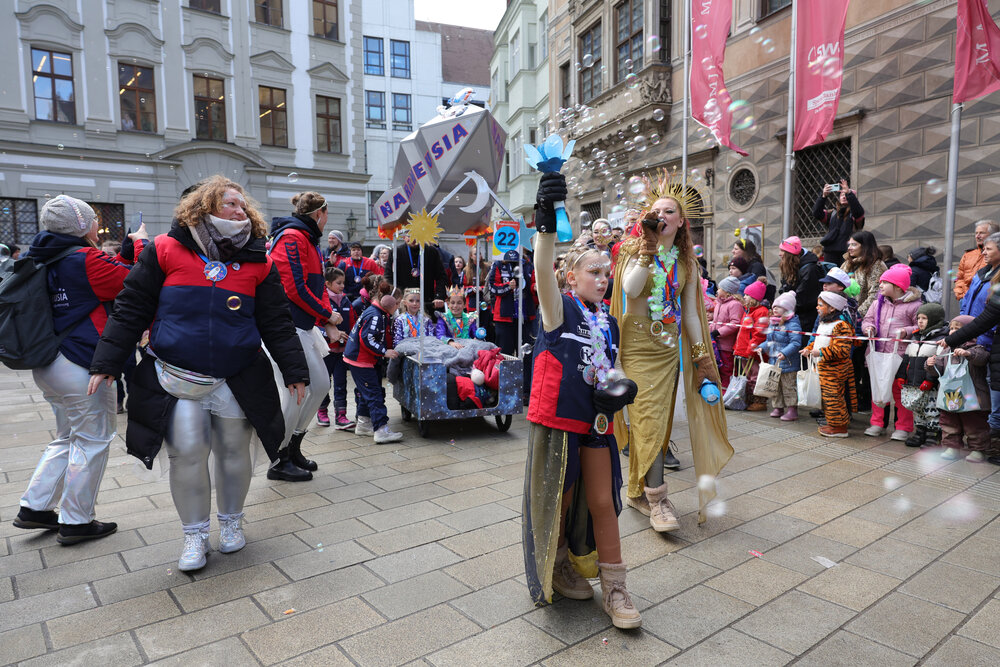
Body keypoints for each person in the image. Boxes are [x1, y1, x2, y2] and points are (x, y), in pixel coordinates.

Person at [89, 176, 308, 571]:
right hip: (175, 374)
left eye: (243, 205)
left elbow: (276, 321)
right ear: (204, 207)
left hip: (237, 376)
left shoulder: (260, 260)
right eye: (230, 203)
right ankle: (193, 535)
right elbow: (130, 308)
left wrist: (296, 370)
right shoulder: (163, 249)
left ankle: (230, 524)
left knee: (233, 452)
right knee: (187, 451)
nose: (240, 210)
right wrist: (106, 362)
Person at [522, 172, 642, 629]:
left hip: (597, 424)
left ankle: (615, 586)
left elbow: (606, 365)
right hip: (559, 421)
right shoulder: (559, 307)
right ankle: (557, 564)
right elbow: (540, 268)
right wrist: (546, 224)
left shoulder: (606, 321)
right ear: (570, 276)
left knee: (602, 501)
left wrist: (620, 385)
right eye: (594, 272)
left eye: (607, 274)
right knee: (560, 497)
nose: (603, 279)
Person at [13, 196, 147, 544]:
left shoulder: (44, 254)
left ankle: (35, 506)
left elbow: (106, 276)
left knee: (68, 437)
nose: (95, 224)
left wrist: (126, 253)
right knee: (92, 441)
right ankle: (76, 520)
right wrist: (143, 244)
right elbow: (134, 282)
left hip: (49, 363)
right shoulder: (84, 258)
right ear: (81, 225)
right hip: (82, 363)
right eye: (91, 219)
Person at [610, 170, 733, 536]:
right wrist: (647, 250)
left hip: (667, 349)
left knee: (658, 424)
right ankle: (658, 498)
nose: (662, 216)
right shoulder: (633, 251)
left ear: (681, 222)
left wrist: (701, 358)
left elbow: (693, 315)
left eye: (670, 212)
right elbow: (632, 292)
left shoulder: (685, 262)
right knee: (646, 418)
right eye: (657, 210)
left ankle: (636, 492)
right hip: (636, 346)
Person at [268, 192, 342, 481]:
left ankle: (293, 447)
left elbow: (317, 285)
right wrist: (327, 316)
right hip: (287, 328)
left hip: (303, 325)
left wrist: (327, 319)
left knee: (320, 384)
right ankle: (278, 458)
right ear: (319, 214)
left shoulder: (308, 239)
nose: (327, 221)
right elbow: (292, 288)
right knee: (295, 394)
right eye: (327, 215)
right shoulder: (292, 237)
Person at [862, 264, 921, 440]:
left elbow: (920, 325)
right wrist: (869, 328)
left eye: (884, 282)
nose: (880, 286)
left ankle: (903, 426)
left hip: (902, 356)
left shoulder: (914, 306)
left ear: (897, 286)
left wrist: (907, 331)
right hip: (878, 353)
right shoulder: (876, 303)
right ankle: (877, 423)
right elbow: (867, 320)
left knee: (901, 391)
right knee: (878, 387)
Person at [344, 279, 403, 444]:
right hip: (361, 361)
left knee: (367, 393)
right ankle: (381, 430)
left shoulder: (376, 312)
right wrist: (385, 352)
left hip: (361, 360)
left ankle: (363, 424)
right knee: (374, 395)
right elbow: (367, 339)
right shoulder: (376, 315)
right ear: (388, 301)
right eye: (397, 303)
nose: (398, 307)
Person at [928, 315, 991, 462]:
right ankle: (952, 446)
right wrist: (931, 365)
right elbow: (940, 370)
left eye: (958, 328)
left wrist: (969, 354)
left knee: (974, 424)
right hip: (949, 398)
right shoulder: (945, 351)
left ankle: (978, 449)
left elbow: (982, 358)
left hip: (972, 398)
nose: (952, 332)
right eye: (951, 328)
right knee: (949, 422)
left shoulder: (977, 348)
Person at [800, 292, 857, 437]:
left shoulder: (841, 325)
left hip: (834, 370)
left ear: (832, 308)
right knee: (827, 398)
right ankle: (833, 423)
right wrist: (809, 348)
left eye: (821, 305)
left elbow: (842, 349)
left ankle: (839, 427)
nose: (817, 308)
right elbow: (818, 342)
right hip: (823, 368)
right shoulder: (824, 323)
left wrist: (820, 353)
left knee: (833, 398)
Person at [897, 303, 947, 447]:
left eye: (924, 318)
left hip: (931, 385)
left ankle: (933, 435)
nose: (920, 321)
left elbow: (937, 362)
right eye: (918, 318)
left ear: (934, 319)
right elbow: (906, 358)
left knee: (931, 409)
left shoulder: (939, 338)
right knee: (918, 409)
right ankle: (920, 433)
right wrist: (901, 376)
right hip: (915, 382)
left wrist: (930, 380)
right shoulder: (916, 336)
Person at [317, 267, 356, 431]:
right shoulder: (321, 302)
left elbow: (353, 323)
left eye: (343, 283)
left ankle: (341, 415)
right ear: (327, 284)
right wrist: (331, 335)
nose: (342, 286)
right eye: (338, 283)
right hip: (325, 352)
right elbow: (317, 325)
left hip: (342, 353)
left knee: (341, 384)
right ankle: (321, 411)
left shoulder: (347, 301)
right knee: (325, 384)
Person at [760, 291, 802, 421]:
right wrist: (761, 347)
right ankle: (778, 407)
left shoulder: (792, 324)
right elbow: (770, 340)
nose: (775, 308)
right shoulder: (773, 323)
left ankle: (792, 409)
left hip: (788, 362)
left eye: (779, 306)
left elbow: (796, 342)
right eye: (773, 307)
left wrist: (784, 353)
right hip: (775, 361)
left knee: (789, 386)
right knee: (775, 386)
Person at [488, 250, 537, 356]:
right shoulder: (499, 264)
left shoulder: (528, 264)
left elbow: (533, 284)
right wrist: (507, 286)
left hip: (525, 317)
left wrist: (535, 287)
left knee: (526, 354)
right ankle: (504, 373)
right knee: (505, 354)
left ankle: (526, 373)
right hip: (504, 317)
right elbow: (491, 287)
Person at [385, 232, 447, 314]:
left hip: (426, 301)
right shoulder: (396, 252)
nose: (413, 239)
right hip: (403, 301)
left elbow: (441, 277)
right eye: (409, 235)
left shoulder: (432, 251)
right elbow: (388, 277)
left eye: (416, 234)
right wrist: (396, 296)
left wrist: (439, 296)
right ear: (404, 236)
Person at [732, 280, 770, 411]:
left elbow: (759, 334)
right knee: (748, 376)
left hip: (752, 352)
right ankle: (749, 399)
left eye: (747, 295)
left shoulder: (761, 312)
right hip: (744, 351)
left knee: (755, 376)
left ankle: (759, 401)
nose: (744, 297)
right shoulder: (748, 311)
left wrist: (751, 350)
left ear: (754, 298)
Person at [778, 235, 823, 334]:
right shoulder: (791, 266)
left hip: (805, 320)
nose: (779, 254)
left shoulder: (810, 269)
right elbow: (784, 288)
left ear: (789, 253)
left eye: (782, 251)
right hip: (793, 316)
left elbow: (803, 299)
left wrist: (784, 307)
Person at [815, 179, 865, 262]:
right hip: (830, 252)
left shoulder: (855, 213)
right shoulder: (832, 213)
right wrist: (823, 196)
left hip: (848, 252)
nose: (844, 196)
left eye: (846, 194)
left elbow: (859, 212)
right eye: (842, 194)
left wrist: (849, 193)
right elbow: (817, 213)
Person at [842, 231, 887, 319]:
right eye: (849, 244)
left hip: (863, 319)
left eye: (854, 245)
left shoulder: (876, 265)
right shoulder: (847, 263)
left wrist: (857, 315)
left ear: (865, 246)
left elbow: (876, 294)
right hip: (843, 314)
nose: (849, 248)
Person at [710, 276, 743, 390]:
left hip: (726, 345)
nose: (717, 290)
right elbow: (715, 322)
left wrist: (718, 332)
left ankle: (725, 393)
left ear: (726, 291)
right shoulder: (719, 303)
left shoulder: (735, 304)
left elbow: (735, 323)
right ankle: (718, 391)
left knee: (726, 369)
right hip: (716, 343)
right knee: (717, 369)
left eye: (720, 288)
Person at [955, 220, 999, 300]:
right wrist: (960, 295)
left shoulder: (995, 257)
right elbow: (959, 277)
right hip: (965, 299)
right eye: (976, 233)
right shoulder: (968, 255)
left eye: (981, 233)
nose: (977, 236)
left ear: (993, 235)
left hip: (984, 300)